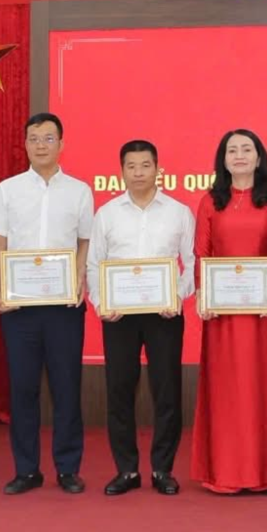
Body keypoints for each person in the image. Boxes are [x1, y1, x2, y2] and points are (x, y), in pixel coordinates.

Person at [0, 112, 93, 495]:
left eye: (48, 138)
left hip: (64, 307)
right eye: (34, 138)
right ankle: (27, 469)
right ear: (25, 144)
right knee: (23, 389)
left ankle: (68, 468)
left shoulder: (79, 191)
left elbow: (85, 242)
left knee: (66, 388)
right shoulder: (7, 190)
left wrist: (78, 279)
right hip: (20, 308)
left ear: (61, 144)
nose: (41, 145)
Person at [192, 128, 267, 494]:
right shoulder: (211, 202)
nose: (239, 155)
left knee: (263, 389)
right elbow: (202, 253)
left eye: (246, 149)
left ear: (258, 157)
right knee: (227, 392)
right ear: (223, 160)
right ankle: (227, 473)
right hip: (223, 315)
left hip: (264, 313)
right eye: (232, 150)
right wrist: (204, 295)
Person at [89, 140, 195, 495]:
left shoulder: (178, 212)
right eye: (131, 166)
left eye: (145, 165)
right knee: (119, 390)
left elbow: (191, 263)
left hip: (164, 313)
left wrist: (177, 295)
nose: (138, 173)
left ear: (157, 169)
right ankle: (127, 470)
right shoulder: (107, 214)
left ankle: (163, 469)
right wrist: (102, 302)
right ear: (121, 171)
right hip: (120, 315)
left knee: (167, 390)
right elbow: (94, 265)